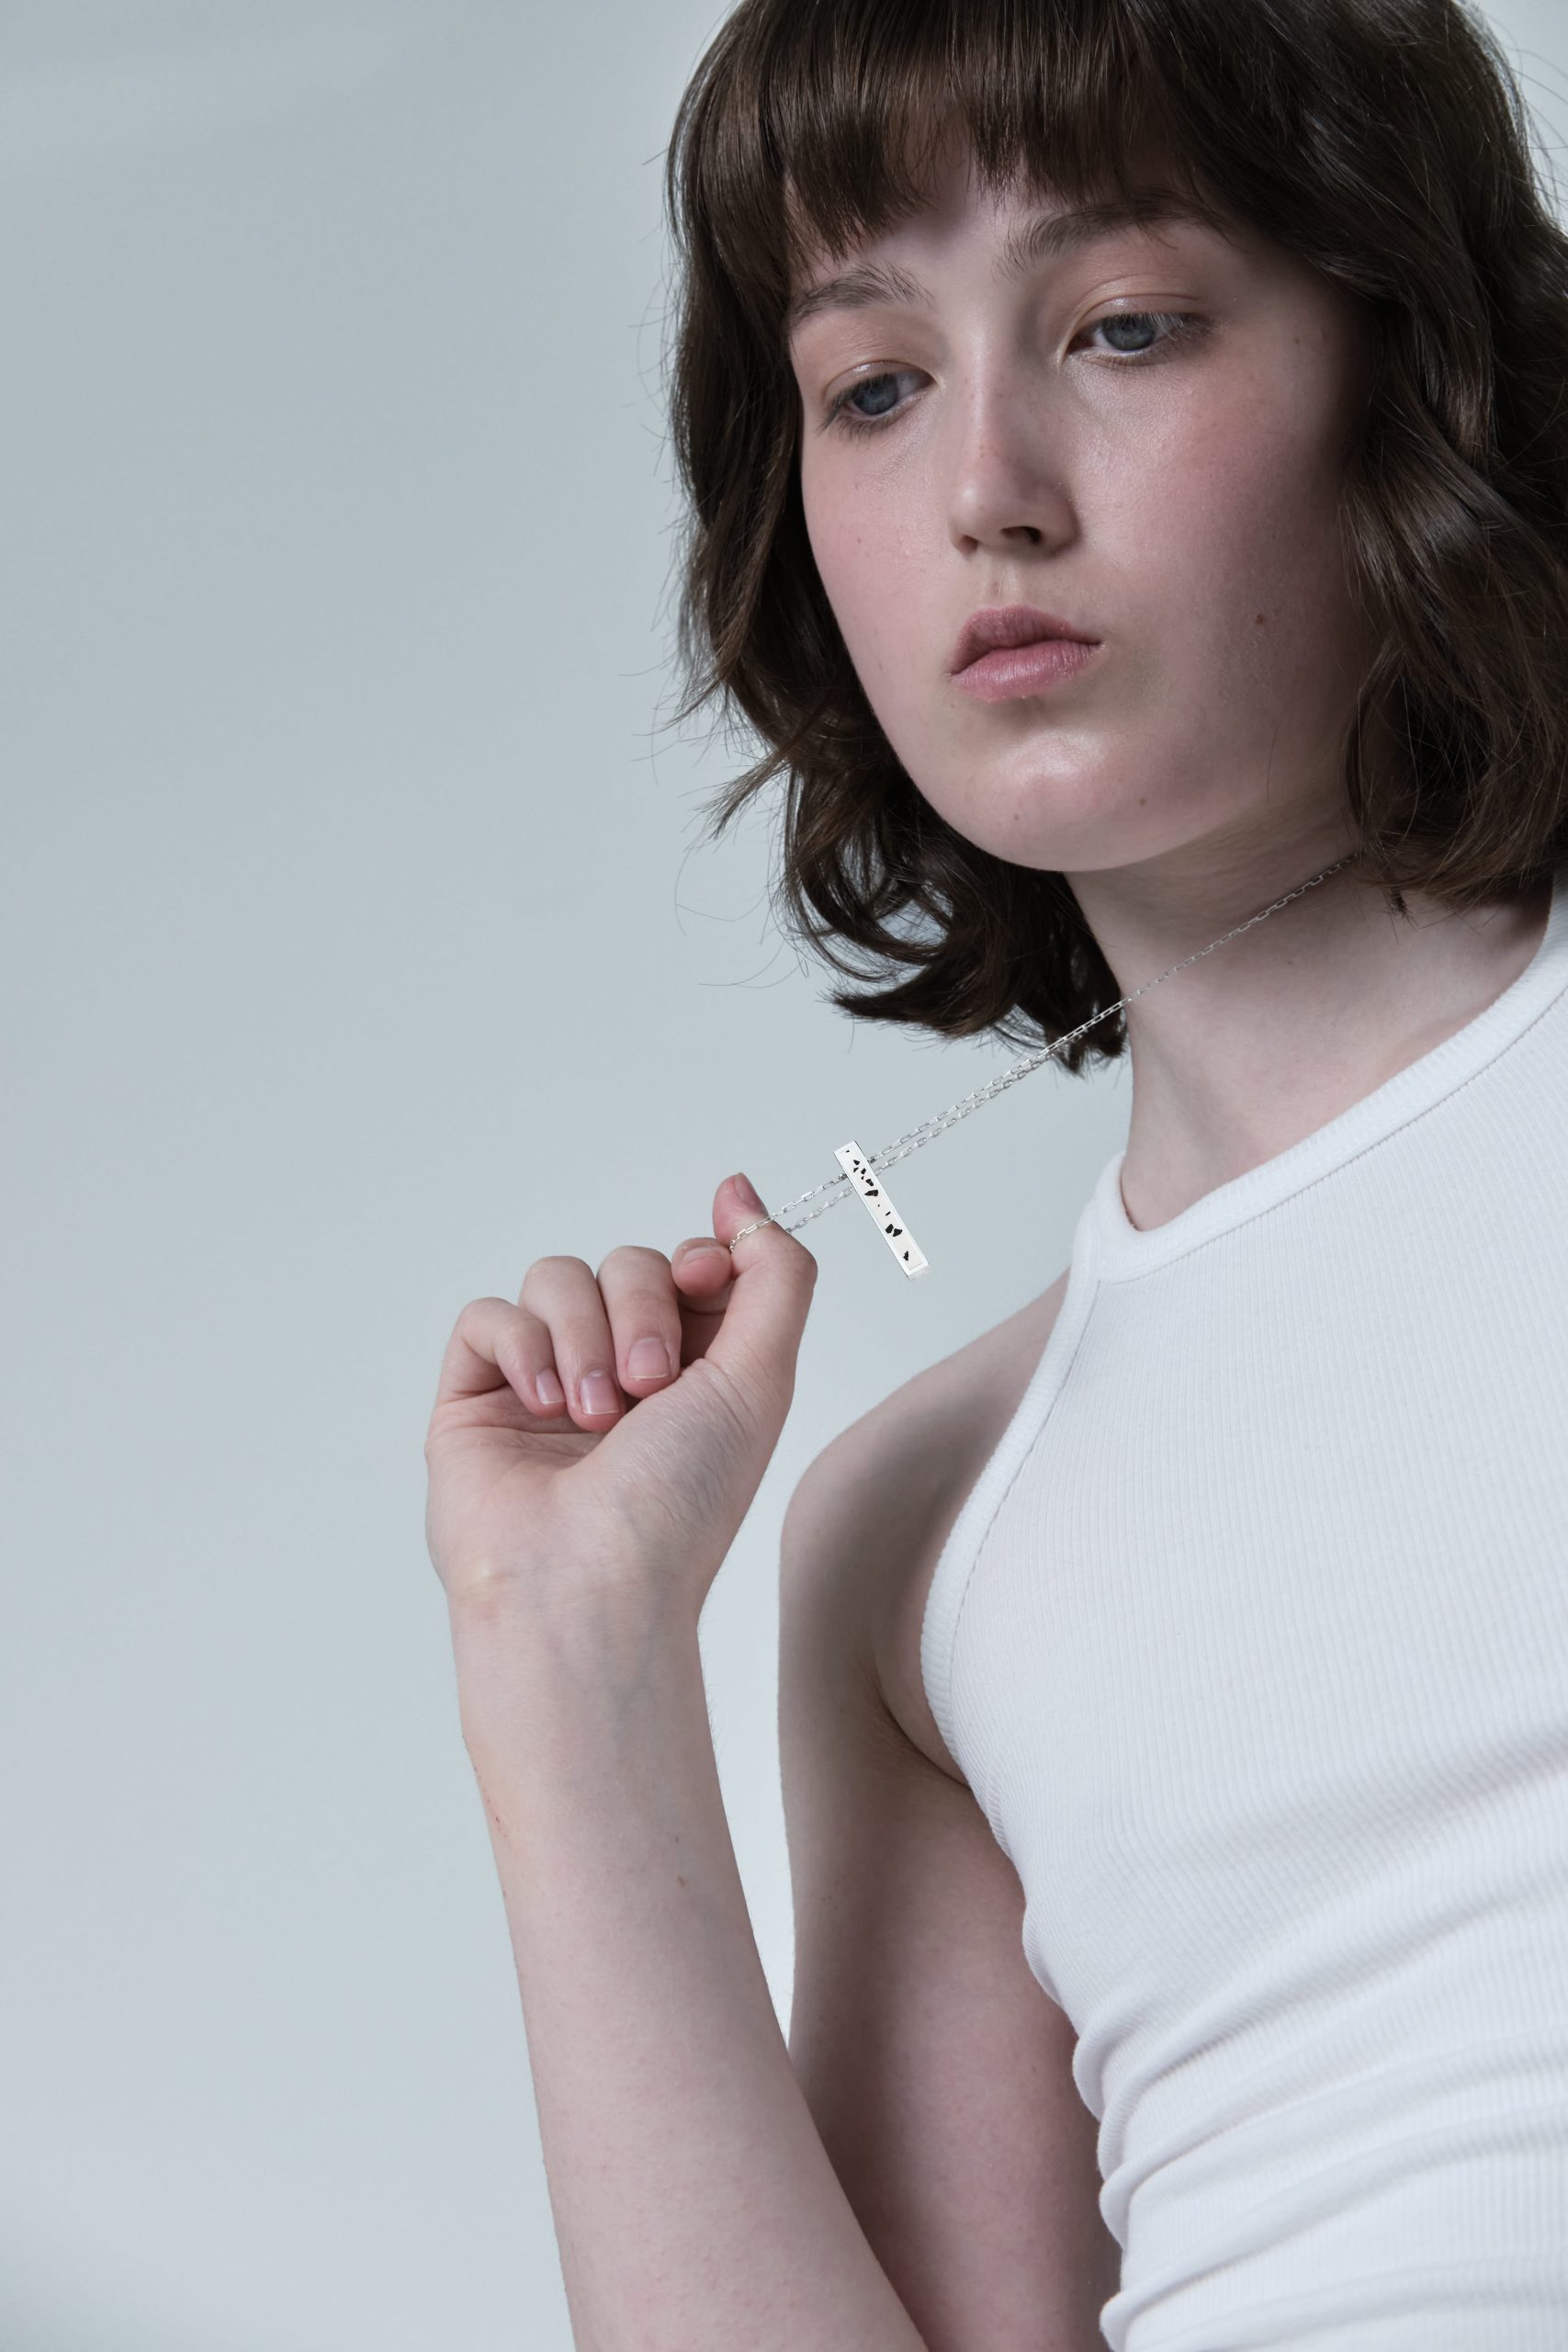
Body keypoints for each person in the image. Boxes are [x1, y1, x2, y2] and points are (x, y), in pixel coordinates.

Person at [423, 0, 1568, 2344]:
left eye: (1121, 325)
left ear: (1412, 366)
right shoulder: (918, 1531)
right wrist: (565, 1668)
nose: (987, 489)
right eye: (872, 384)